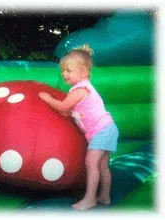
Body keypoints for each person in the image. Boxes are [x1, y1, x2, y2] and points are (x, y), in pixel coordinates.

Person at [38, 44, 119, 211]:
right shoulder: (81, 89)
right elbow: (69, 112)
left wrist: (47, 98)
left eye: (69, 71)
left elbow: (62, 107)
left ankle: (90, 198)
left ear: (84, 73)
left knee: (91, 162)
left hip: (101, 131)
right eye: (63, 70)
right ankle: (104, 196)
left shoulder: (80, 90)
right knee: (102, 166)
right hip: (107, 128)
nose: (64, 74)